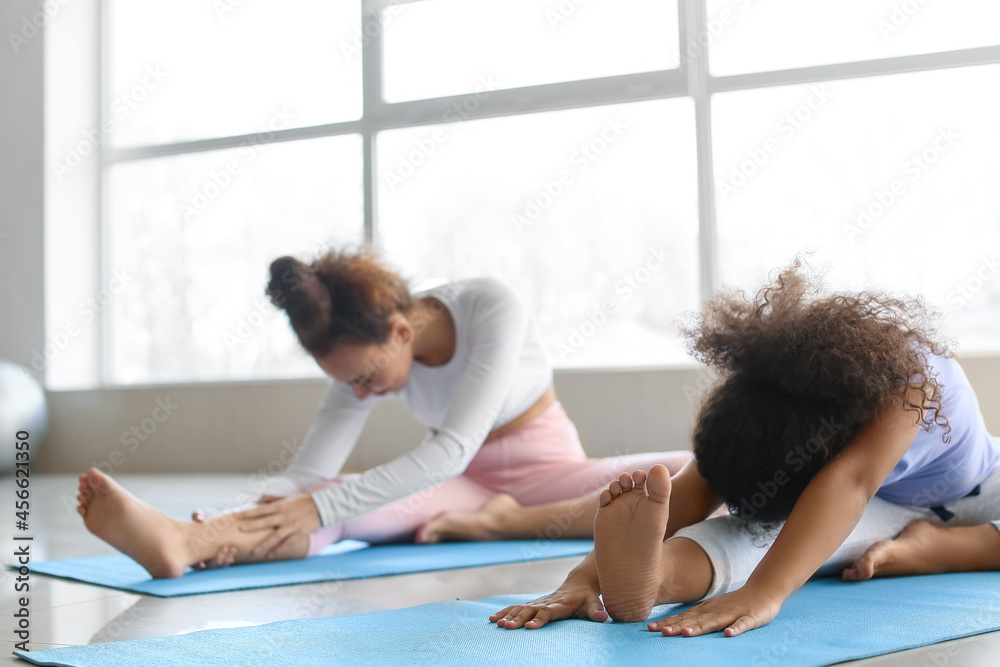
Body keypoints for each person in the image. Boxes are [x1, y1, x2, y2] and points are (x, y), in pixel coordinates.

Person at [76, 247, 690, 578]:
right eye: (348, 383)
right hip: (461, 488)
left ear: (400, 330)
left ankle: (508, 522)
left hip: (549, 472)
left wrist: (313, 502)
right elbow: (309, 475)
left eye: (367, 377)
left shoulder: (491, 306)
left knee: (684, 471)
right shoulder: (360, 355)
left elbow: (449, 445)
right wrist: (233, 511)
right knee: (336, 502)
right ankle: (186, 542)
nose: (362, 394)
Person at [489, 263, 1000, 637]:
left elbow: (849, 481)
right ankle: (654, 579)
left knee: (786, 542)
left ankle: (935, 549)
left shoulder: (910, 382)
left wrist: (765, 592)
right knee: (761, 536)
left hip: (984, 486)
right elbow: (697, 486)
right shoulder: (761, 400)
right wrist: (586, 576)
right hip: (886, 503)